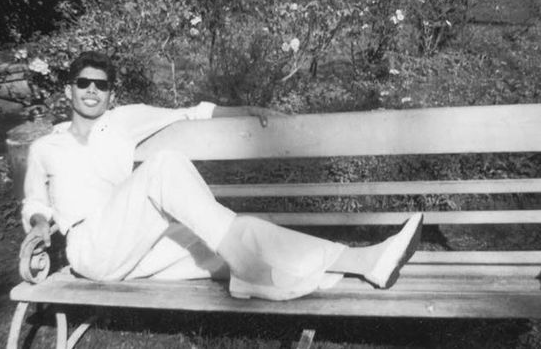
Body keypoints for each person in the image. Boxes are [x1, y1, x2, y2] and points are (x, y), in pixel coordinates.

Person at [21, 51, 423, 301]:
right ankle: (253, 272)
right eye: (83, 83)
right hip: (89, 247)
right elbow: (36, 205)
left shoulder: (122, 121)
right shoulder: (44, 148)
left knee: (239, 235)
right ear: (68, 90)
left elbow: (193, 112)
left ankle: (365, 260)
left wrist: (248, 109)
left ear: (111, 94)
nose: (92, 91)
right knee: (164, 165)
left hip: (134, 245)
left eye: (102, 85)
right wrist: (39, 226)